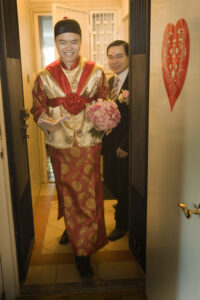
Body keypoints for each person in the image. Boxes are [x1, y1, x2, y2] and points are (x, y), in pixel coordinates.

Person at [31, 18, 109, 278]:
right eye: (62, 42)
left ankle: (83, 252)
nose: (68, 47)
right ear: (55, 43)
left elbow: (104, 101)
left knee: (86, 193)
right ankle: (72, 229)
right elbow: (38, 107)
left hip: (88, 143)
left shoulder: (96, 71)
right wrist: (45, 122)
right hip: (60, 144)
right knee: (66, 191)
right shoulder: (44, 75)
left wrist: (105, 115)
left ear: (80, 42)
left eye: (74, 41)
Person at [102, 40, 129, 241]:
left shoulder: (135, 80)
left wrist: (126, 145)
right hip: (110, 142)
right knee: (110, 179)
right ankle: (121, 202)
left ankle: (122, 224)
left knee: (122, 183)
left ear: (128, 57)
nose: (114, 61)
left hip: (124, 145)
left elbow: (139, 116)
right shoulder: (113, 81)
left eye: (119, 56)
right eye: (111, 56)